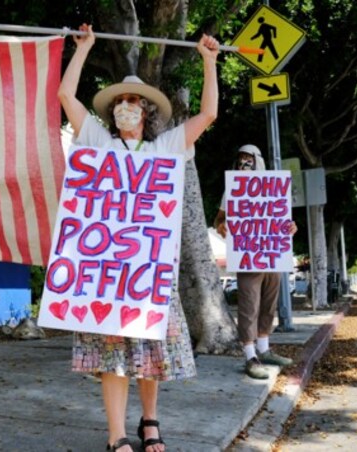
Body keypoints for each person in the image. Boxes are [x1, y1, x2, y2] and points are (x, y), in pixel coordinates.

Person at [57, 24, 219, 452]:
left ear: (146, 112)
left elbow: (207, 117)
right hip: (108, 274)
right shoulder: (97, 142)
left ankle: (150, 423)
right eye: (121, 102)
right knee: (113, 354)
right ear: (112, 112)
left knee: (151, 352)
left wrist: (209, 62)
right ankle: (116, 437)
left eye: (134, 102)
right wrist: (83, 50)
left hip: (150, 271)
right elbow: (65, 98)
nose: (127, 107)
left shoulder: (164, 149)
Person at [213, 144, 296, 380]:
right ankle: (250, 355)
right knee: (249, 305)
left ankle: (264, 348)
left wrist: (291, 227)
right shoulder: (232, 190)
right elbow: (219, 218)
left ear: (258, 161)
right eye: (240, 159)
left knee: (269, 304)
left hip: (272, 256)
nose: (243, 164)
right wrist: (222, 226)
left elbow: (284, 220)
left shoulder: (274, 188)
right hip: (248, 256)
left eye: (248, 159)